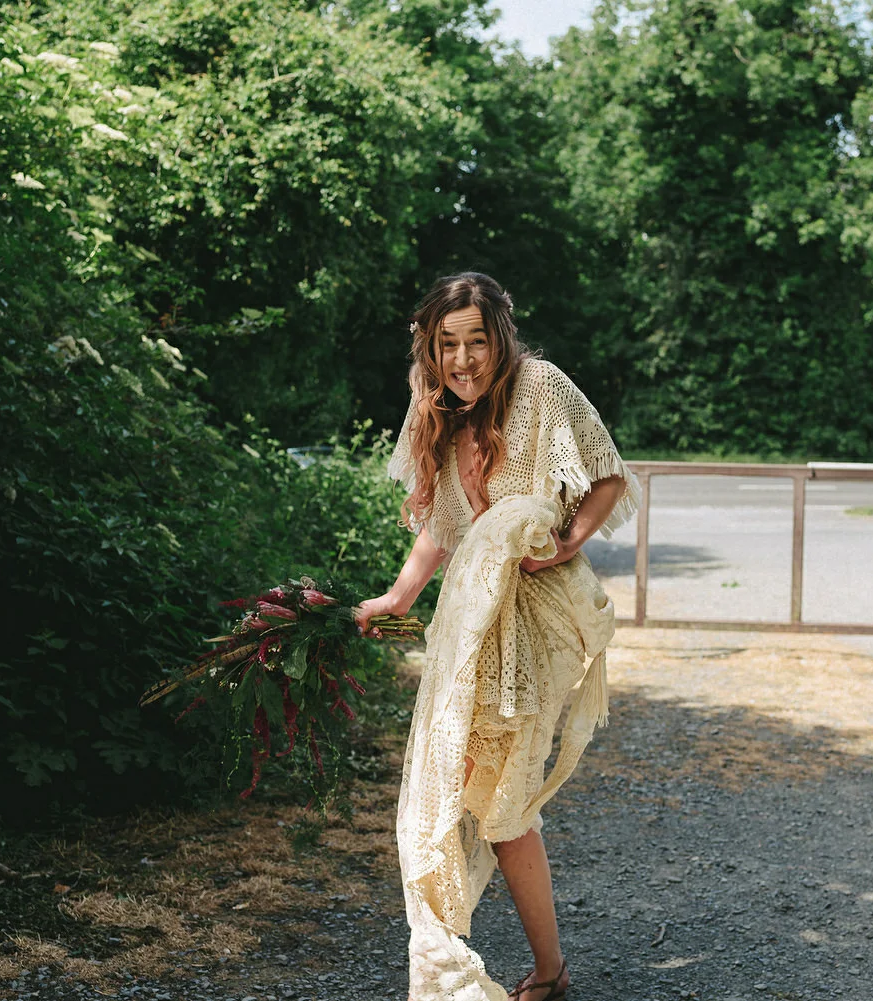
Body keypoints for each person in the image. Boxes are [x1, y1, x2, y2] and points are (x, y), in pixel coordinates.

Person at [354, 273, 640, 1001]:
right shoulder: (442, 419)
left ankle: (550, 971)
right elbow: (442, 532)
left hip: (539, 619)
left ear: (500, 338)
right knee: (463, 789)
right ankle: (514, 958)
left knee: (506, 800)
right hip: (475, 627)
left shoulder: (541, 387)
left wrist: (570, 539)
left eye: (477, 340)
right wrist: (395, 595)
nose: (464, 358)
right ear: (432, 348)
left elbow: (607, 473)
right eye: (448, 343)